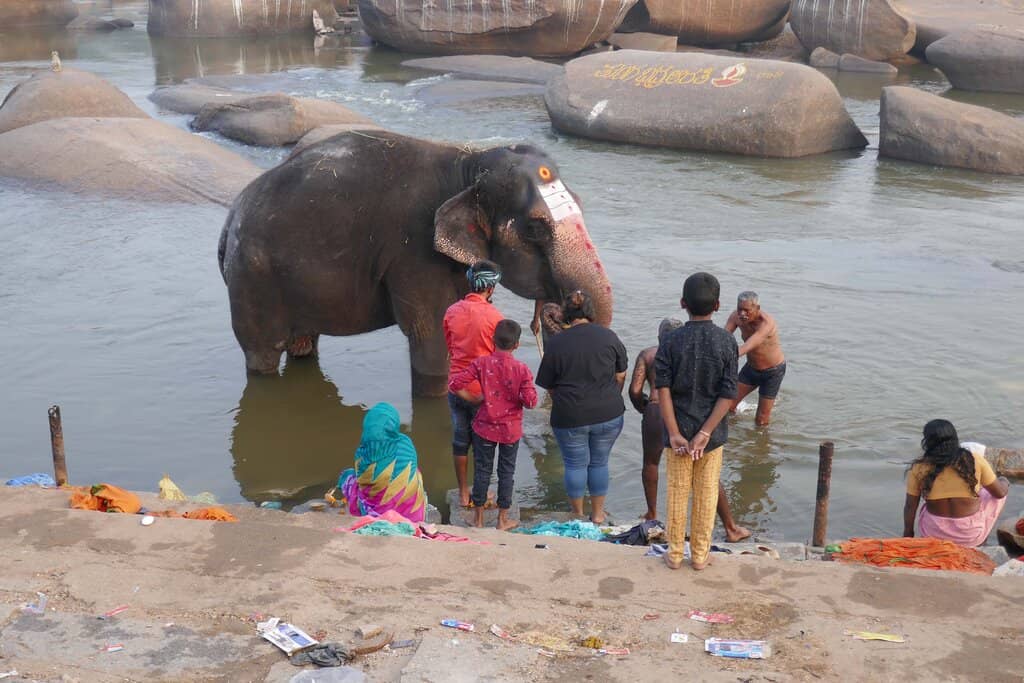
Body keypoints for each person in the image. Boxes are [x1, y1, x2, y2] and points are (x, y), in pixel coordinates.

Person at [629, 318, 751, 542]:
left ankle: (652, 514)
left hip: (656, 409)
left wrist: (645, 409)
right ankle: (730, 527)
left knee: (651, 463)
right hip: (691, 415)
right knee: (707, 474)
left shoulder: (648, 354)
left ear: (659, 336)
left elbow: (635, 390)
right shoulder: (692, 351)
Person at [655, 273, 738, 571]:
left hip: (677, 430)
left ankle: (675, 554)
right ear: (717, 305)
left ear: (682, 303)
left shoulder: (670, 341)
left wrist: (674, 432)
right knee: (707, 492)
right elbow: (728, 393)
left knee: (677, 491)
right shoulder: (727, 341)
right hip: (711, 434)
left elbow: (662, 388)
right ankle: (700, 555)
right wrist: (705, 432)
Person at [536, 290, 627, 524]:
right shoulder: (609, 337)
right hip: (608, 413)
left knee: (574, 464)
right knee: (599, 462)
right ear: (591, 312)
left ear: (566, 313)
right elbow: (621, 374)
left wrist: (564, 402)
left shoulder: (557, 343)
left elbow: (549, 385)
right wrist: (611, 396)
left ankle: (577, 515)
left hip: (570, 415)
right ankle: (597, 514)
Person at [450, 320, 538, 530]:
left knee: (482, 471)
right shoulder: (522, 370)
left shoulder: (481, 363)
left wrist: (475, 399)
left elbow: (454, 384)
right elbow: (531, 402)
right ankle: (501, 520)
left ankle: (478, 520)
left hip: (485, 428)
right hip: (510, 431)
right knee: (506, 473)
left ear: (492, 341)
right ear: (517, 345)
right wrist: (517, 396)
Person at [443, 260, 505, 507]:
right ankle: (481, 492)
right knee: (483, 444)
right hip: (482, 391)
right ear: (490, 288)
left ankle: (462, 492)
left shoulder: (451, 311)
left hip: (456, 387)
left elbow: (450, 347)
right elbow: (497, 358)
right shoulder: (495, 317)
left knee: (460, 440)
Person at [904, 419, 1010, 547]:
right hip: (969, 536)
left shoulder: (918, 467)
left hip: (933, 535)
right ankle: (981, 541)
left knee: (925, 506)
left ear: (927, 442)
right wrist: (1004, 481)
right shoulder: (974, 460)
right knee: (992, 493)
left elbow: (910, 506)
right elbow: (1000, 493)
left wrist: (907, 535)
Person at [338, 402, 428, 522]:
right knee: (413, 470)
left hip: (380, 517)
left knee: (347, 476)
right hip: (412, 514)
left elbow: (362, 483)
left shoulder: (363, 454)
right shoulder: (406, 443)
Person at [724, 291, 785, 426]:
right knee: (727, 406)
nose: (742, 314)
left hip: (772, 372)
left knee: (761, 420)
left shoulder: (767, 323)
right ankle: (733, 433)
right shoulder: (735, 317)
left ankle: (762, 438)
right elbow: (723, 338)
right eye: (740, 309)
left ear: (757, 308)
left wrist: (728, 357)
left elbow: (751, 344)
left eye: (747, 310)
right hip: (751, 369)